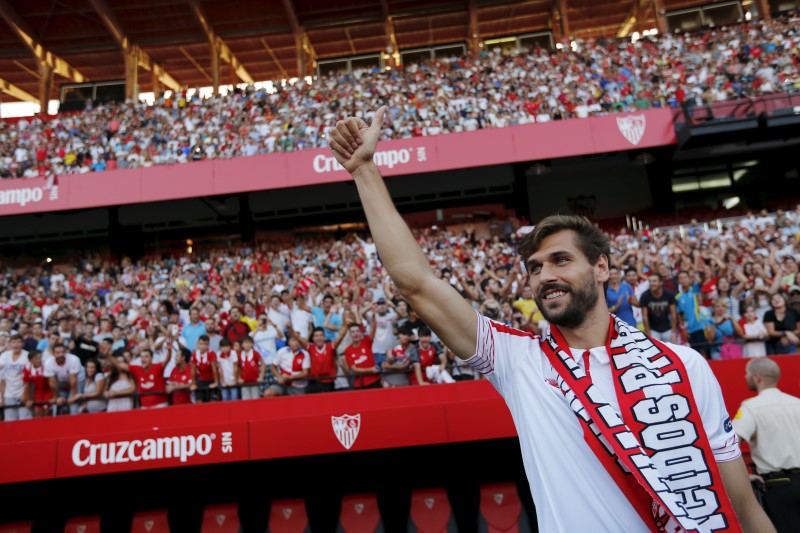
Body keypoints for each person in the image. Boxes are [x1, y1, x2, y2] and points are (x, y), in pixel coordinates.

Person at [327, 107, 773, 532]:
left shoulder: (684, 366)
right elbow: (416, 283)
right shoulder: (519, 362)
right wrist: (365, 171)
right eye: (535, 267)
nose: (545, 276)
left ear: (602, 268)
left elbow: (741, 504)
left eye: (560, 260)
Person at [733, 358, 800, 533]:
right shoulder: (797, 403)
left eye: (746, 373)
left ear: (757, 377)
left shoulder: (750, 407)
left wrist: (744, 477)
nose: (745, 377)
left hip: (779, 486)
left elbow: (730, 443)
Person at [298, 326, 346, 394]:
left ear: (324, 337)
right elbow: (299, 339)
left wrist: (346, 326)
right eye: (316, 336)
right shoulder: (310, 348)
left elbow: (341, 336)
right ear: (313, 338)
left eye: (321, 335)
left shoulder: (330, 346)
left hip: (328, 383)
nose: (319, 337)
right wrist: (290, 329)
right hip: (314, 383)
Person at [44, 343, 83, 415]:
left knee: (73, 405)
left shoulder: (74, 359)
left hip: (78, 380)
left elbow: (73, 380)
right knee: (57, 404)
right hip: (61, 382)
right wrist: (57, 397)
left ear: (66, 352)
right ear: (53, 353)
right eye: (58, 353)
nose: (61, 354)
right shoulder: (48, 363)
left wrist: (74, 397)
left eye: (63, 352)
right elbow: (52, 383)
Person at [639, 273, 677, 343]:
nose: (651, 283)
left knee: (672, 351)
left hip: (668, 329)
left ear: (661, 282)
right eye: (650, 281)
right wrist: (648, 333)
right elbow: (645, 316)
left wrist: (673, 332)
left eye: (654, 281)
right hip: (653, 330)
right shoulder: (644, 296)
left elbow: (673, 313)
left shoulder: (669, 294)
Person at [0, 334, 30, 421]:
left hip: (22, 393)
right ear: (9, 344)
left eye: (18, 342)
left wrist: (25, 394)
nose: (16, 345)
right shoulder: (4, 356)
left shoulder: (27, 356)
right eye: (13, 342)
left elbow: (28, 379)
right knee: (10, 421)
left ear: (23, 344)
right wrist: (2, 397)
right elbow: (2, 379)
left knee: (25, 420)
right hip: (8, 394)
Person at [191, 335, 219, 402]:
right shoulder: (195, 354)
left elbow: (214, 369)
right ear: (198, 344)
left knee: (213, 401)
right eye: (201, 344)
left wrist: (216, 382)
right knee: (199, 401)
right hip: (201, 380)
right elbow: (193, 370)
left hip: (211, 379)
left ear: (208, 345)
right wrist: (193, 384)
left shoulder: (211, 353)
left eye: (205, 344)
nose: (203, 346)